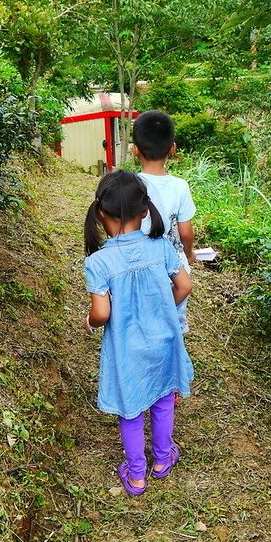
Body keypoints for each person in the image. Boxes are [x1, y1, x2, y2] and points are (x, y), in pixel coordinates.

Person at [83, 170, 194, 496]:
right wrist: (161, 307)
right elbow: (184, 285)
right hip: (163, 341)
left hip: (127, 348)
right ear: (145, 211)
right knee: (163, 401)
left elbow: (102, 312)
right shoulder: (160, 248)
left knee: (130, 411)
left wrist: (89, 322)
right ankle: (162, 460)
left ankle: (136, 476)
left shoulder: (99, 262)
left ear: (101, 214)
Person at [132, 110, 196, 334]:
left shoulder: (131, 184)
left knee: (143, 320)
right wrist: (188, 253)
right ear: (173, 148)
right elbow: (185, 231)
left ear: (134, 150)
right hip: (174, 271)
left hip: (140, 266)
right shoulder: (180, 186)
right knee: (172, 326)